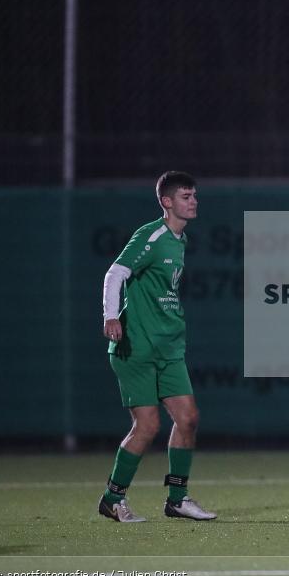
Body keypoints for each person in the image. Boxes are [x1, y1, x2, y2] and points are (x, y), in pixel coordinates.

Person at [98, 171, 217, 522]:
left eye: (194, 195)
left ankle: (177, 500)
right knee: (147, 427)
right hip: (136, 347)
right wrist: (110, 316)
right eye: (185, 196)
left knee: (189, 418)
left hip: (168, 347)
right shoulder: (152, 235)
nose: (193, 201)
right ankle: (112, 498)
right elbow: (114, 273)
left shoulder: (180, 240)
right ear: (166, 202)